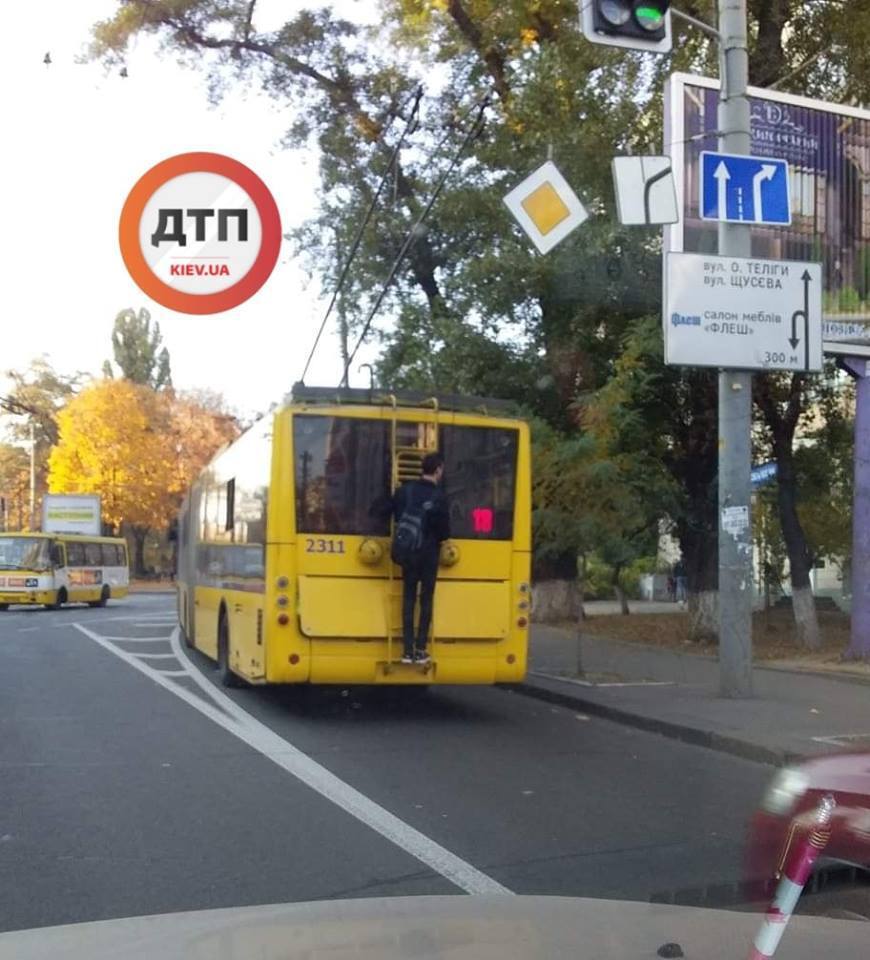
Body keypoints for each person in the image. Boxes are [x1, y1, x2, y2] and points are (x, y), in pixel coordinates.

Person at [391, 452, 450, 664]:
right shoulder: (440, 497)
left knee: (408, 598)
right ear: (438, 470)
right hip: (429, 555)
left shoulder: (404, 491)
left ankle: (406, 650)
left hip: (408, 553)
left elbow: (396, 516)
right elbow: (444, 532)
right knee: (426, 600)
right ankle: (421, 648)